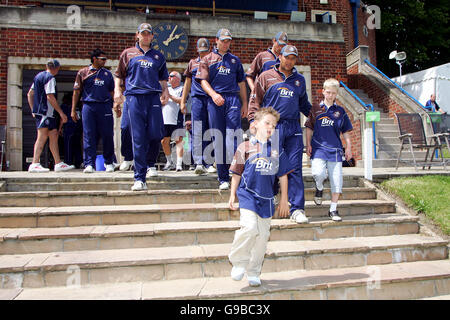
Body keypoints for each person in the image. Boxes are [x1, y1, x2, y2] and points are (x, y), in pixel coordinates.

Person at [228, 107, 292, 287]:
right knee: (249, 228)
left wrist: (284, 199)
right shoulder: (245, 147)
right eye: (267, 123)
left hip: (267, 199)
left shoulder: (277, 151)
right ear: (255, 125)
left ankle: (254, 271)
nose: (270, 127)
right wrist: (232, 195)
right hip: (247, 195)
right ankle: (239, 262)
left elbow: (283, 176)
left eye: (274, 125)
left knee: (262, 237)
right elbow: (236, 173)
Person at [248, 45, 312, 224]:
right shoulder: (265, 76)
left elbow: (304, 104)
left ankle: (297, 208)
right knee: (270, 165)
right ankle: (269, 199)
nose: (290, 61)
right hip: (273, 127)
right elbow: (255, 100)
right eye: (287, 57)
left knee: (295, 167)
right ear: (280, 57)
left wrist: (319, 115)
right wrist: (254, 121)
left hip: (293, 129)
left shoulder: (299, 80)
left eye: (293, 58)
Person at [114, 23, 169, 191]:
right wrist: (117, 91)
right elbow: (119, 75)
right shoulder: (127, 54)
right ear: (137, 35)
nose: (146, 36)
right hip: (134, 97)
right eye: (143, 33)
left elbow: (163, 78)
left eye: (148, 34)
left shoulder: (158, 56)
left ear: (152, 36)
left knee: (156, 133)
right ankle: (139, 178)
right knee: (137, 137)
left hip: (153, 96)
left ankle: (150, 163)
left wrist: (165, 91)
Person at [196, 28, 248, 190]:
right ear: (216, 40)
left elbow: (241, 83)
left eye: (228, 41)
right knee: (218, 138)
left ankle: (238, 172)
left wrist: (245, 103)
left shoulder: (235, 61)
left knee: (233, 137)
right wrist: (213, 95)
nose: (226, 43)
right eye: (223, 40)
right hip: (215, 100)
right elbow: (203, 81)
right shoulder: (207, 59)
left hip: (232, 98)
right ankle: (223, 178)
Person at [305, 78, 353, 222]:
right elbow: (309, 128)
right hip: (318, 149)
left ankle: (333, 209)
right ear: (323, 91)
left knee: (337, 181)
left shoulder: (340, 111)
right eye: (328, 92)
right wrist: (308, 144)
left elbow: (345, 131)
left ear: (337, 94)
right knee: (318, 174)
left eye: (333, 93)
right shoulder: (315, 109)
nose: (330, 95)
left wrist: (349, 147)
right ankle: (319, 187)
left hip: (336, 151)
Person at [72, 48, 115, 173]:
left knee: (107, 134)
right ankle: (89, 164)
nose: (104, 61)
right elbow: (77, 91)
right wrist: (73, 110)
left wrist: (117, 105)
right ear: (94, 59)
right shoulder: (83, 72)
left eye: (105, 59)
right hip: (89, 106)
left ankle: (109, 162)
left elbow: (112, 91)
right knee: (89, 135)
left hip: (105, 106)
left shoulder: (107, 74)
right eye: (102, 59)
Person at [27, 59, 74, 173]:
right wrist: (61, 113)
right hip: (46, 112)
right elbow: (50, 96)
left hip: (45, 112)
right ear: (57, 68)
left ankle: (58, 163)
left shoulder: (38, 76)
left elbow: (30, 93)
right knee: (42, 136)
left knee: (54, 135)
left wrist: (33, 109)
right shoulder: (50, 78)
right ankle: (34, 163)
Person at [181, 38, 216, 175]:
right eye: (201, 52)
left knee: (211, 129)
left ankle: (208, 161)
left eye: (206, 51)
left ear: (210, 49)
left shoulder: (214, 61)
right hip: (197, 99)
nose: (203, 54)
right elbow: (187, 84)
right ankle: (199, 162)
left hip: (211, 98)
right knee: (197, 130)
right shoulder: (192, 63)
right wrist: (183, 101)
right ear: (197, 50)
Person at [161, 71, 184, 171]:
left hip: (177, 117)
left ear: (178, 79)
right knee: (164, 141)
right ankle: (169, 162)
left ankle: (179, 164)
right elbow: (161, 100)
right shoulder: (166, 89)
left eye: (171, 76)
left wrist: (169, 96)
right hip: (165, 119)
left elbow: (181, 100)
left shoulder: (182, 88)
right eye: (168, 76)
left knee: (179, 140)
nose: (169, 78)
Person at [61, 92, 83, 168]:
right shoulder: (79, 106)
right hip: (78, 128)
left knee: (68, 146)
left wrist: (59, 129)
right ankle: (79, 162)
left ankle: (68, 162)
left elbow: (62, 118)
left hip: (69, 127)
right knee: (77, 146)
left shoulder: (65, 106)